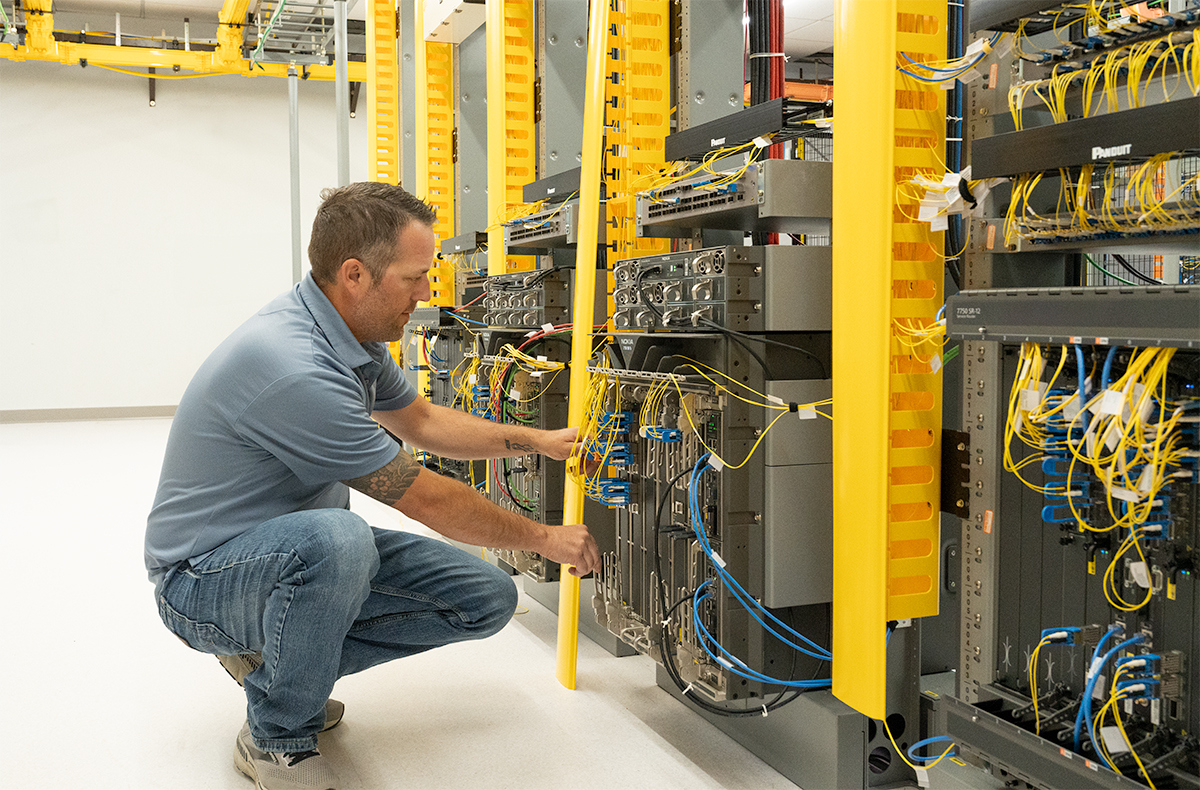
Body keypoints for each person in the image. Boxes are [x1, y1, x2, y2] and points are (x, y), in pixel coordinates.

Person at [144, 182, 600, 790]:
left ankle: (281, 676)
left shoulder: (350, 337)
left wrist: (535, 441)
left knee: (485, 597)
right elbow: (425, 497)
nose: (427, 293)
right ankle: (277, 735)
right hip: (201, 579)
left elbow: (423, 421)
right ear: (354, 274)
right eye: (414, 277)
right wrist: (546, 537)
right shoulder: (295, 366)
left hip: (286, 555)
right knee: (339, 540)